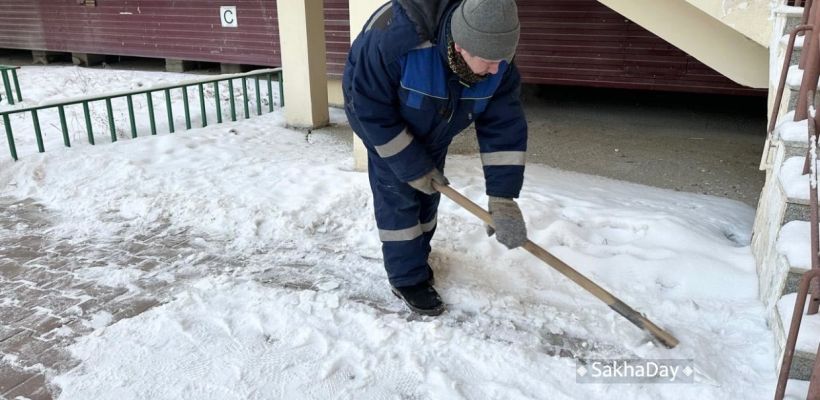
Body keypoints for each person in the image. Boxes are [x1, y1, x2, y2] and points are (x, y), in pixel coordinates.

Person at [343, 0, 528, 316]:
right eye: (488, 61)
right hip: (386, 125)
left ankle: (419, 253)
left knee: (429, 194)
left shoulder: (497, 63)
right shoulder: (394, 41)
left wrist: (503, 198)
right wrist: (410, 163)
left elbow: (503, 129)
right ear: (460, 46)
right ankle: (406, 278)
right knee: (399, 200)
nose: (497, 69)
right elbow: (366, 107)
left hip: (435, 124)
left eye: (503, 60)